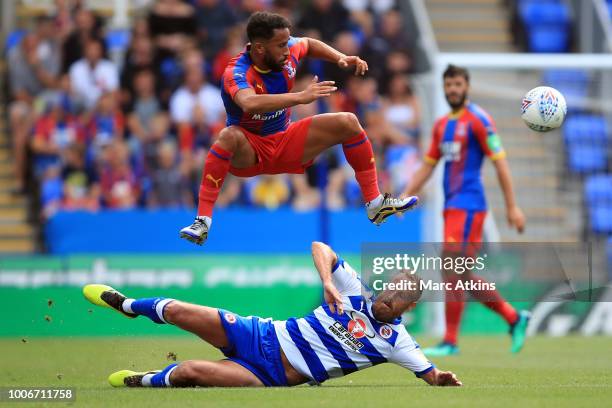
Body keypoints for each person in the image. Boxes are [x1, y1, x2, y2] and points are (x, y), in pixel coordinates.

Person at [179, 11, 418, 246]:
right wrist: (300, 97)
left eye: (287, 42)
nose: (287, 49)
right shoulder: (237, 72)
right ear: (259, 48)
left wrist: (339, 57)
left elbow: (308, 43)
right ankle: (203, 221)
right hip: (250, 151)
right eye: (281, 45)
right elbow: (248, 103)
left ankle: (375, 204)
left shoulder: (288, 49)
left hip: (286, 140)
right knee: (228, 135)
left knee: (348, 122)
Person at [83, 242, 462, 388]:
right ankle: (127, 305)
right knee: (180, 310)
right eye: (390, 287)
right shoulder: (355, 291)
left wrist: (441, 378)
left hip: (270, 374)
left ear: (409, 308)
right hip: (260, 333)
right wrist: (328, 281)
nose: (388, 297)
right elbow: (320, 248)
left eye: (399, 297)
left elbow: (430, 375)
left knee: (187, 372)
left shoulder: (397, 343)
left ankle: (144, 381)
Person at [402, 65, 529, 356]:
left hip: (470, 206)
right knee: (459, 273)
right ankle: (513, 317)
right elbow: (428, 165)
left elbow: (500, 162)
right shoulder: (441, 125)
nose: (452, 90)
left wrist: (512, 207)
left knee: (452, 269)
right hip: (451, 207)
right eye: (448, 85)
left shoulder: (479, 120)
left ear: (467, 86)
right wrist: (405, 196)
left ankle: (450, 341)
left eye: (457, 84)